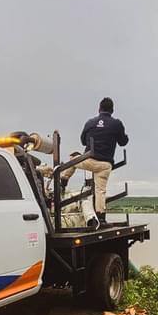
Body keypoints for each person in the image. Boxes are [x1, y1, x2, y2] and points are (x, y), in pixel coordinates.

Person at [61, 96, 128, 228]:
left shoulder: (90, 122)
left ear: (99, 109)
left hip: (89, 160)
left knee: (73, 158)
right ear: (112, 110)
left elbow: (83, 141)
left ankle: (64, 180)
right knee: (100, 190)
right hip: (105, 164)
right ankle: (101, 218)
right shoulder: (117, 124)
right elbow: (123, 142)